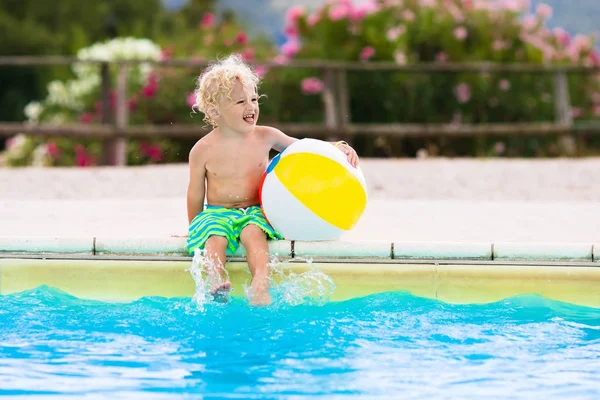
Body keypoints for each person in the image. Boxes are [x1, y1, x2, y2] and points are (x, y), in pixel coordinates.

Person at [186, 54, 359, 306]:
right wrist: (193, 228)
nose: (251, 107)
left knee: (254, 235)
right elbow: (194, 193)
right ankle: (215, 281)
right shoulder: (202, 150)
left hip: (255, 211)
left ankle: (260, 284)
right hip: (216, 213)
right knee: (214, 240)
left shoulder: (265, 136)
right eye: (241, 101)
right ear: (215, 110)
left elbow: (303, 147)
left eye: (254, 99)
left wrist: (334, 147)